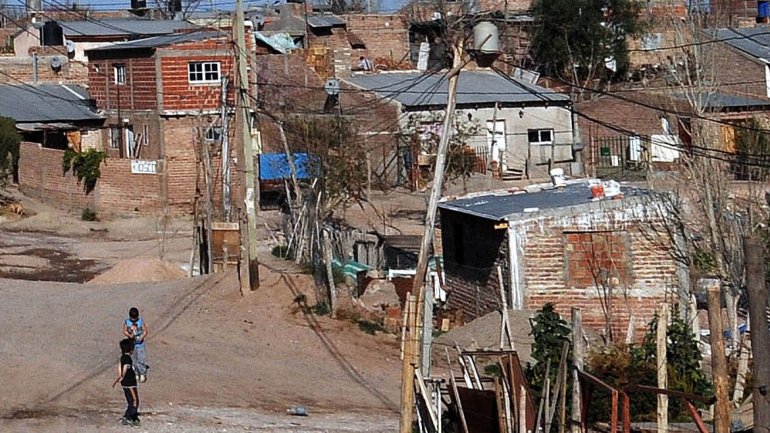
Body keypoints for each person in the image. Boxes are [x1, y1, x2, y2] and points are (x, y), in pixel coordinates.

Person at [112, 338, 140, 426]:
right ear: (131, 349)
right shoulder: (128, 359)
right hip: (130, 382)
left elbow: (120, 367)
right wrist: (122, 376)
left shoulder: (122, 357)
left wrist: (120, 377)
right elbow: (125, 368)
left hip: (125, 383)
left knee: (130, 400)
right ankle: (129, 416)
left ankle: (130, 415)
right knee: (134, 400)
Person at [122, 307, 149, 383]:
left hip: (140, 344)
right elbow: (124, 330)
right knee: (134, 359)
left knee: (141, 358)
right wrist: (129, 335)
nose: (133, 320)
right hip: (132, 344)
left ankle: (142, 373)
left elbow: (145, 331)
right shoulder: (127, 322)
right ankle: (136, 372)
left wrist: (142, 337)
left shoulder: (140, 322)